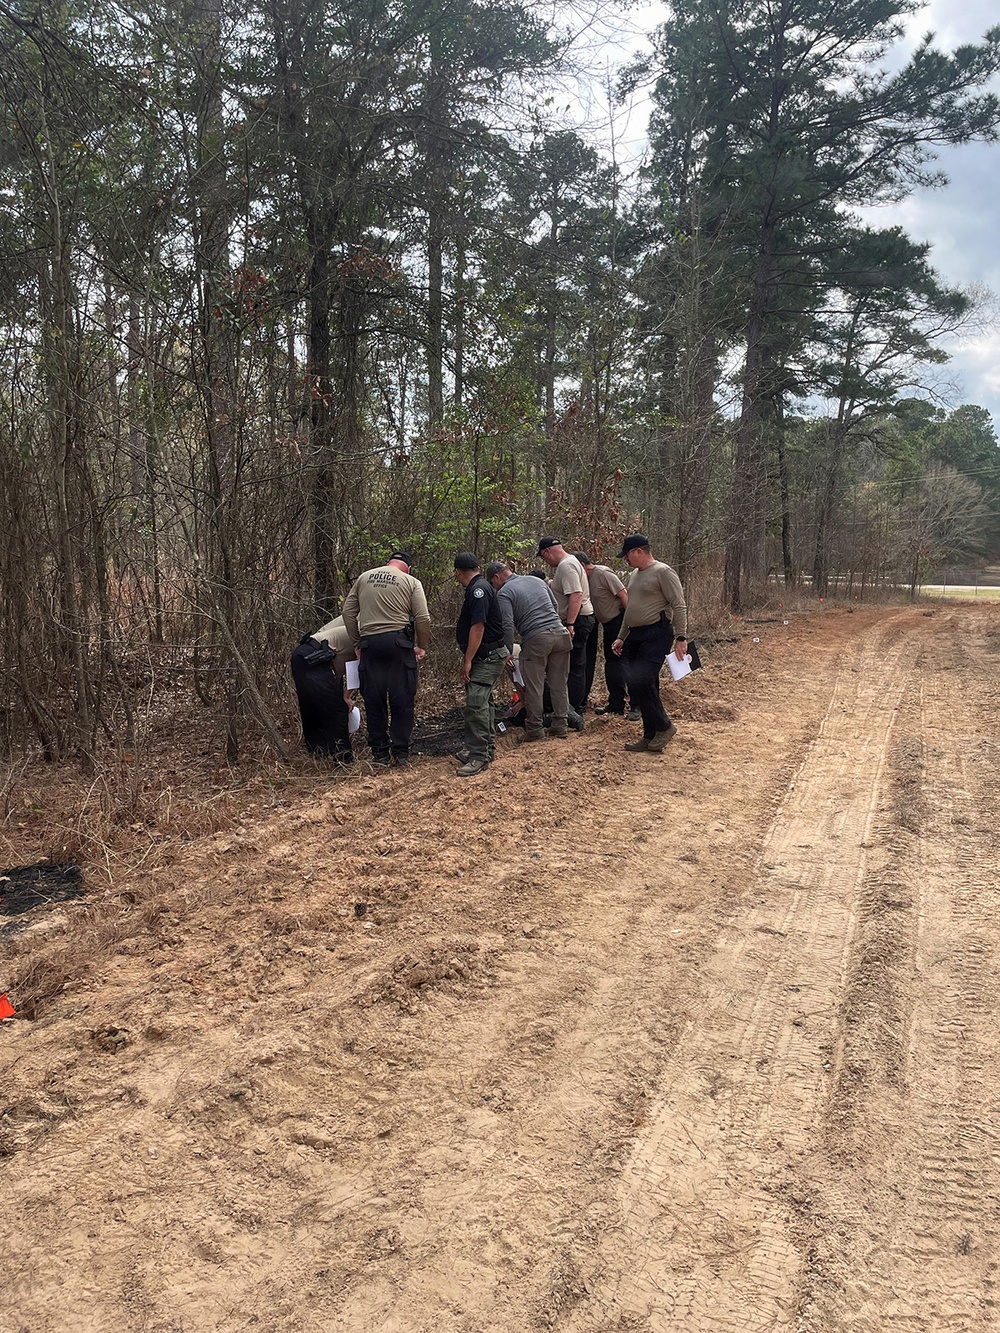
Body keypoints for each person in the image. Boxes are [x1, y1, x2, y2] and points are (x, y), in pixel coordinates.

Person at [342, 550, 430, 766]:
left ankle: (380, 753)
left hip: (370, 645)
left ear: (388, 563)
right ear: (407, 568)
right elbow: (423, 617)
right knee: (402, 698)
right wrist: (421, 647)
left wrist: (357, 643)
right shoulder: (411, 581)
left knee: (374, 699)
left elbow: (347, 612)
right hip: (398, 645)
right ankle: (401, 753)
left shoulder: (364, 577)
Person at [611, 534, 688, 753]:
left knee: (641, 679)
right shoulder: (635, 574)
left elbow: (679, 605)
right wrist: (621, 636)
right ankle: (650, 734)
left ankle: (664, 726)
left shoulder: (663, 572)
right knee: (639, 685)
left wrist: (681, 638)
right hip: (635, 635)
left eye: (627, 555)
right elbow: (631, 609)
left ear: (639, 551)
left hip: (657, 633)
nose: (626, 560)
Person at [486, 561, 571, 742]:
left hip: (537, 639)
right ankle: (560, 726)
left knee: (534, 687)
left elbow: (507, 624)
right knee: (559, 685)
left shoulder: (504, 593)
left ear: (496, 577)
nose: (494, 588)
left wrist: (508, 649)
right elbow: (555, 605)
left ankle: (534, 730)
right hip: (561, 634)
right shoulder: (536, 580)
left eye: (493, 584)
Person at [453, 552, 509, 777]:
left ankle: (479, 756)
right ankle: (486, 748)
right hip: (486, 654)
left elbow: (479, 627)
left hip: (488, 655)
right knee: (484, 701)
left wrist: (467, 660)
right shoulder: (481, 587)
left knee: (476, 702)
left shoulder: (478, 591)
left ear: (458, 572)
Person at [536, 538, 595, 719]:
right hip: (580, 618)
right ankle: (574, 705)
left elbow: (575, 595)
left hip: (577, 620)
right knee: (576, 664)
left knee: (575, 666)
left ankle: (574, 709)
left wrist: (570, 623)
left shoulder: (566, 565)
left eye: (544, 558)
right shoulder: (572, 562)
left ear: (547, 552)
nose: (547, 563)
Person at [289, 615, 356, 763]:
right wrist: (347, 696)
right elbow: (360, 665)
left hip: (302, 655)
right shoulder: (367, 627)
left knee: (311, 707)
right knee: (337, 710)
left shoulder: (351, 617)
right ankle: (344, 761)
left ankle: (318, 754)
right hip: (316, 659)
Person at [573, 553, 632, 717]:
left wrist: (630, 623)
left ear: (583, 565)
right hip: (604, 624)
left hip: (618, 621)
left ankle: (636, 705)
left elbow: (624, 595)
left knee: (622, 662)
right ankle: (616, 704)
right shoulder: (584, 580)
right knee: (611, 664)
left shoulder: (603, 573)